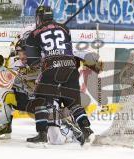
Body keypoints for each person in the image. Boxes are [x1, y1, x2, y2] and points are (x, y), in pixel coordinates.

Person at [25, 6, 96, 144]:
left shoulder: (33, 35)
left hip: (51, 67)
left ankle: (41, 134)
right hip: (70, 65)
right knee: (73, 102)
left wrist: (42, 56)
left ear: (38, 17)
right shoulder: (64, 28)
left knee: (41, 100)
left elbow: (33, 63)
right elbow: (66, 48)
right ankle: (87, 131)